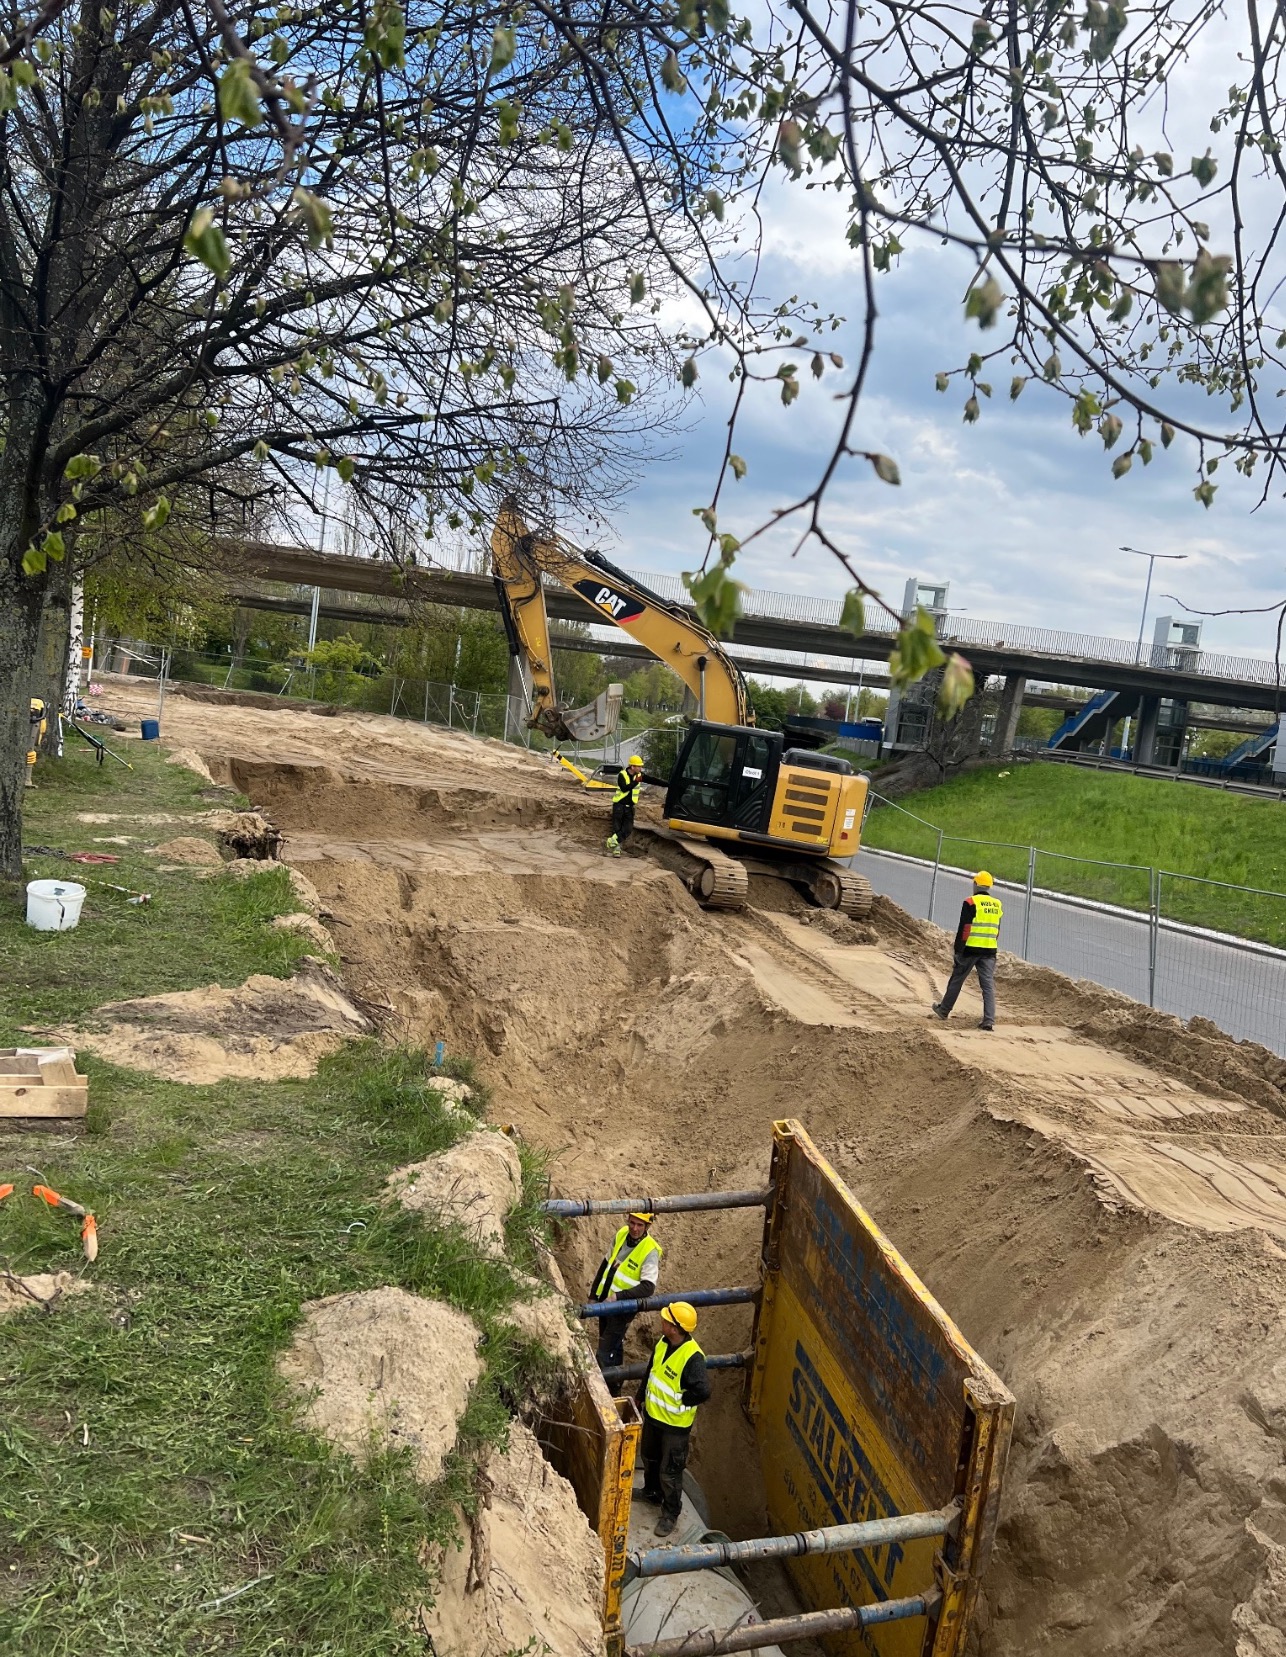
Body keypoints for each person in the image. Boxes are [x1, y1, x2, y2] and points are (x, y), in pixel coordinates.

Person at [635, 1301, 710, 1537]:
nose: (662, 1321)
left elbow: (703, 1391)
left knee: (670, 1471)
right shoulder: (663, 1342)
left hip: (675, 1428)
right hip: (654, 1418)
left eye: (667, 1320)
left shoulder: (693, 1358)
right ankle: (651, 1493)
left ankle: (670, 1513)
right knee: (650, 1458)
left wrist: (680, 1400)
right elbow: (652, 1370)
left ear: (675, 1328)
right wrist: (640, 1395)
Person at [589, 1211, 662, 1384]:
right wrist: (594, 1295)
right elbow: (605, 1264)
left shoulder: (650, 1250)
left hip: (622, 1309)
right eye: (632, 1223)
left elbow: (648, 1287)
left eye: (640, 1225)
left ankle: (608, 1386)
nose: (634, 1228)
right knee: (614, 1345)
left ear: (647, 1226)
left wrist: (618, 1297)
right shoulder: (622, 1234)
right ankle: (617, 1382)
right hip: (606, 1302)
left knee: (604, 1352)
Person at [932, 870, 1003, 1031]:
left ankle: (943, 1010)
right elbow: (997, 930)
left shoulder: (970, 902)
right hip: (989, 950)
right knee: (988, 986)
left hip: (970, 949)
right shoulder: (997, 904)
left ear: (976, 884)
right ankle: (989, 1021)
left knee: (957, 979)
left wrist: (958, 950)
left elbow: (965, 928)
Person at [606, 755, 644, 857]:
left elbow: (653, 780)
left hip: (630, 807)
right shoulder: (622, 775)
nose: (641, 768)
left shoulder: (639, 775)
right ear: (632, 767)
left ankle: (612, 841)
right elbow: (624, 788)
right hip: (619, 805)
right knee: (617, 828)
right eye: (639, 766)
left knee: (628, 829)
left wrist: (668, 784)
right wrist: (636, 781)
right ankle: (616, 850)